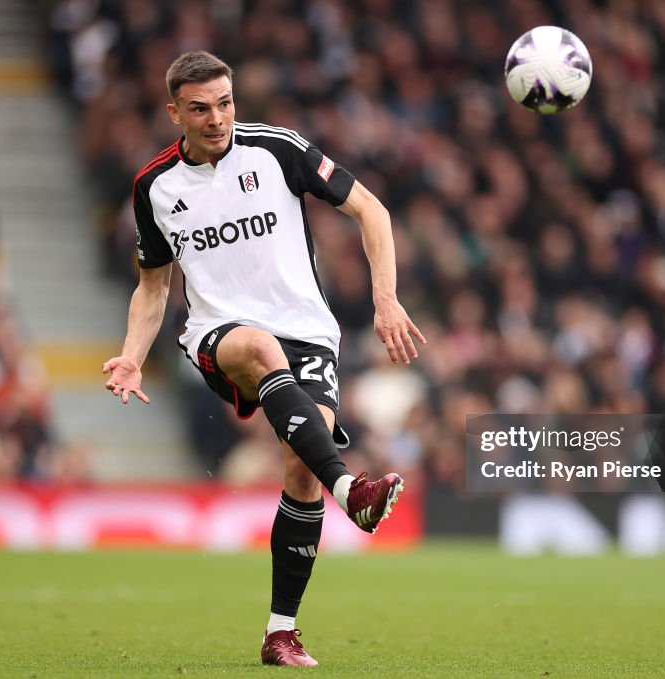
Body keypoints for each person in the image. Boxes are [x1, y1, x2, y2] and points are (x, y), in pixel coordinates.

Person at [101, 50, 426, 667]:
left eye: (225, 103)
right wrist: (131, 356)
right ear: (175, 112)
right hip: (218, 332)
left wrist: (385, 299)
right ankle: (352, 487)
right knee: (257, 346)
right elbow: (153, 286)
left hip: (308, 331)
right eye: (200, 108)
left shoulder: (277, 150)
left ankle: (281, 631)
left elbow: (371, 210)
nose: (217, 118)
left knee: (301, 470)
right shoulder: (154, 187)